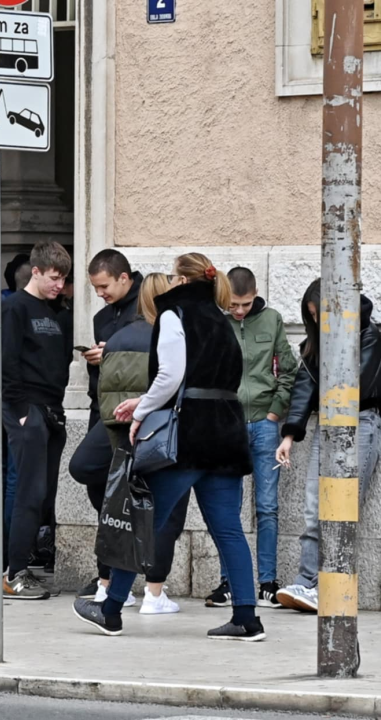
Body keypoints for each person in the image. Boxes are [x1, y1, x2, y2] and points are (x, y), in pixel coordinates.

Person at [73, 253, 263, 641]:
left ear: (181, 281)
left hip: (188, 435)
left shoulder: (176, 314)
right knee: (228, 530)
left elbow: (170, 375)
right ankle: (246, 616)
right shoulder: (222, 319)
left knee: (142, 522)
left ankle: (110, 610)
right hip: (226, 432)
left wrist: (141, 408)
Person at [275, 278, 381, 612]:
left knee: (343, 509)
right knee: (314, 508)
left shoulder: (367, 336)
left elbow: (352, 385)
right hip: (326, 425)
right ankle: (306, 581)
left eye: (320, 313)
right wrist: (289, 434)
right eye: (311, 315)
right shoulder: (317, 344)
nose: (317, 321)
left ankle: (330, 587)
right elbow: (303, 389)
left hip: (359, 423)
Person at [199, 266, 298, 609]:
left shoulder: (271, 320)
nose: (238, 311)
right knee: (228, 508)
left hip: (264, 424)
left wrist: (275, 411)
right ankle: (229, 581)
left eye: (244, 304)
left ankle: (267, 582)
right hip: (228, 424)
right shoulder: (216, 321)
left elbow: (288, 368)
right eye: (233, 305)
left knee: (267, 507)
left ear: (256, 295)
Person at [89, 272, 187, 614]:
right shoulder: (172, 335)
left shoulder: (116, 338)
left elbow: (105, 395)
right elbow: (172, 384)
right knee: (166, 516)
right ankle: (154, 594)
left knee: (123, 513)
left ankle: (110, 590)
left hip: (122, 437)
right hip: (162, 436)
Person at [68, 249, 144, 598]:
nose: (100, 293)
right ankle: (108, 574)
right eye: (95, 287)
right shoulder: (103, 317)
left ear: (124, 278)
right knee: (100, 488)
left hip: (133, 414)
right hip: (105, 409)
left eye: (104, 286)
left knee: (107, 482)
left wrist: (110, 352)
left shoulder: (148, 305)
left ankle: (124, 577)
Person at [2, 241, 73, 599]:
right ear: (36, 272)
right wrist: (20, 411)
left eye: (63, 279)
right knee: (29, 492)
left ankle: (22, 565)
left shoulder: (56, 312)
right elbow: (7, 361)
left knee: (43, 494)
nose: (59, 284)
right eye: (54, 277)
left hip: (51, 407)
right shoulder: (15, 308)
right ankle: (15, 572)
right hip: (27, 406)